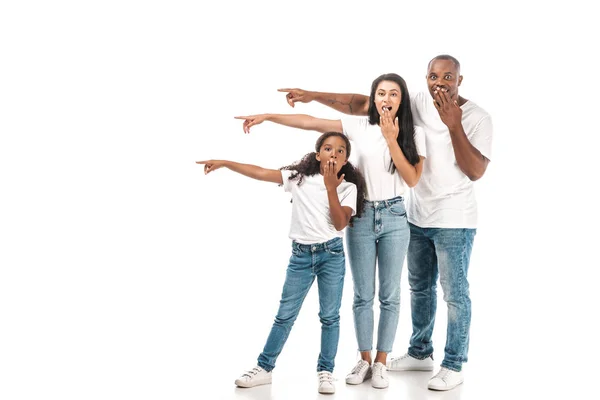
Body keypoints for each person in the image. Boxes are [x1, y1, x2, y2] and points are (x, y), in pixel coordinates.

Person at [277, 54, 493, 391]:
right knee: (418, 288)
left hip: (454, 218)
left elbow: (477, 171)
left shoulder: (477, 117)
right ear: (425, 78)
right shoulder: (417, 103)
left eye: (448, 77)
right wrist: (312, 94)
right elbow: (359, 103)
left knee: (454, 293)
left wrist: (453, 123)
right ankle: (420, 353)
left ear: (460, 80)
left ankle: (453, 363)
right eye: (434, 76)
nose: (440, 83)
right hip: (416, 215)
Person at [235, 73, 426, 389]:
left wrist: (392, 139)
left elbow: (411, 180)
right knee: (363, 295)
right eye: (381, 93)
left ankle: (381, 362)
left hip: (394, 215)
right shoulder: (358, 126)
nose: (387, 99)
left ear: (401, 99)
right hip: (361, 216)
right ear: (374, 98)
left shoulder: (411, 133)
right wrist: (268, 117)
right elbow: (309, 122)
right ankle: (363, 360)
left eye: (394, 94)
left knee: (390, 295)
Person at [197, 131, 366, 394]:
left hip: (331, 256)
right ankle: (264, 368)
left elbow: (339, 223)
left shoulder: (347, 187)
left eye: (341, 150)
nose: (334, 153)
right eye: (328, 148)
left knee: (329, 316)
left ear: (345, 160)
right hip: (300, 257)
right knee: (285, 315)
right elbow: (260, 172)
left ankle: (326, 371)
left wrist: (332, 188)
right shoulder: (298, 178)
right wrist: (225, 162)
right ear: (318, 153)